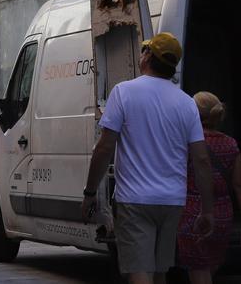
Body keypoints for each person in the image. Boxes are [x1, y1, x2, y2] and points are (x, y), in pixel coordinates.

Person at [81, 32, 215, 284]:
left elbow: (104, 148)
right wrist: (207, 210)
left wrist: (90, 193)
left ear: (148, 56)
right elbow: (202, 160)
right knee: (159, 271)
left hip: (134, 200)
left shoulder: (123, 93)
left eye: (144, 50)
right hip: (172, 201)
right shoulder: (187, 103)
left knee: (140, 270)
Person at [176, 92, 241, 282]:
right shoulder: (230, 144)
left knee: (198, 270)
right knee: (209, 268)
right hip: (222, 213)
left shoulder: (189, 142)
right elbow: (239, 186)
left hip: (192, 211)